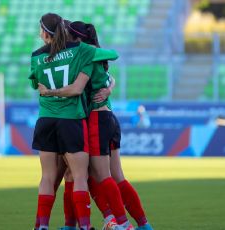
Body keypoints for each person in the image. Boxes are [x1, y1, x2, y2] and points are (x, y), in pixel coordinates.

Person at [39, 21, 153, 230]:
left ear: (77, 39)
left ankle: (118, 222)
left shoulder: (83, 54)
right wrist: (110, 88)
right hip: (107, 117)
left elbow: (76, 87)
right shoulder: (94, 55)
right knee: (100, 175)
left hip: (93, 119)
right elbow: (110, 76)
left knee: (90, 175)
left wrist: (49, 92)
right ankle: (142, 225)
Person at [29, 13, 97, 230]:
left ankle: (42, 227)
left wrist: (49, 91)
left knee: (47, 177)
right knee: (79, 176)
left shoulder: (36, 56)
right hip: (71, 120)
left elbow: (35, 84)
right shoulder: (80, 50)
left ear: (43, 32)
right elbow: (110, 55)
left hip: (46, 120)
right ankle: (85, 226)